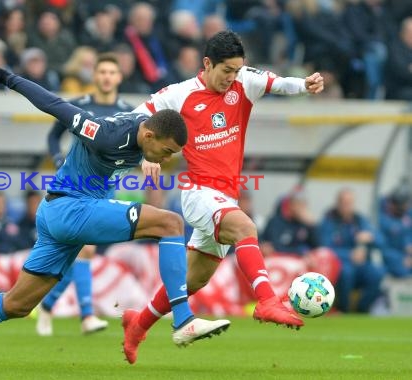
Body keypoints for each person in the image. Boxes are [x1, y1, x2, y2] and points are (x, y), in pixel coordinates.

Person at [0, 55, 230, 367]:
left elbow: (180, 99)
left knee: (17, 305)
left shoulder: (145, 128)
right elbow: (55, 105)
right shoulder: (106, 134)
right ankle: (183, 318)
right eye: (166, 151)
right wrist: (5, 78)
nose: (167, 159)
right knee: (170, 223)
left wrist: (149, 153)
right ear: (150, 134)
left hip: (59, 216)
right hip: (72, 209)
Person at [121, 30, 324, 364]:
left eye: (236, 70)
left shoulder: (245, 81)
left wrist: (305, 85)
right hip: (198, 192)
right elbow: (138, 117)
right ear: (206, 63)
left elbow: (278, 83)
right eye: (225, 71)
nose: (231, 78)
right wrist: (145, 154)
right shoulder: (180, 94)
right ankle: (267, 300)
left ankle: (138, 325)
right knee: (245, 228)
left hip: (225, 196)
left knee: (194, 278)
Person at [38, 53, 133, 336]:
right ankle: (87, 316)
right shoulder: (80, 106)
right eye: (101, 71)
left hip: (107, 186)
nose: (106, 76)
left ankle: (47, 306)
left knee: (81, 252)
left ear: (118, 77)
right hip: (77, 186)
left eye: (111, 72)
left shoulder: (128, 111)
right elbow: (54, 135)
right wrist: (57, 159)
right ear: (95, 76)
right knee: (86, 249)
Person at [320, 188, 386, 313]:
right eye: (344, 203)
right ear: (338, 203)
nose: (346, 206)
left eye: (349, 203)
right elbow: (325, 248)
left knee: (377, 272)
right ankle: (343, 309)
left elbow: (381, 241)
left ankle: (362, 309)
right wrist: (349, 254)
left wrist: (371, 237)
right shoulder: (329, 221)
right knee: (346, 273)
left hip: (361, 265)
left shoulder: (359, 220)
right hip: (341, 263)